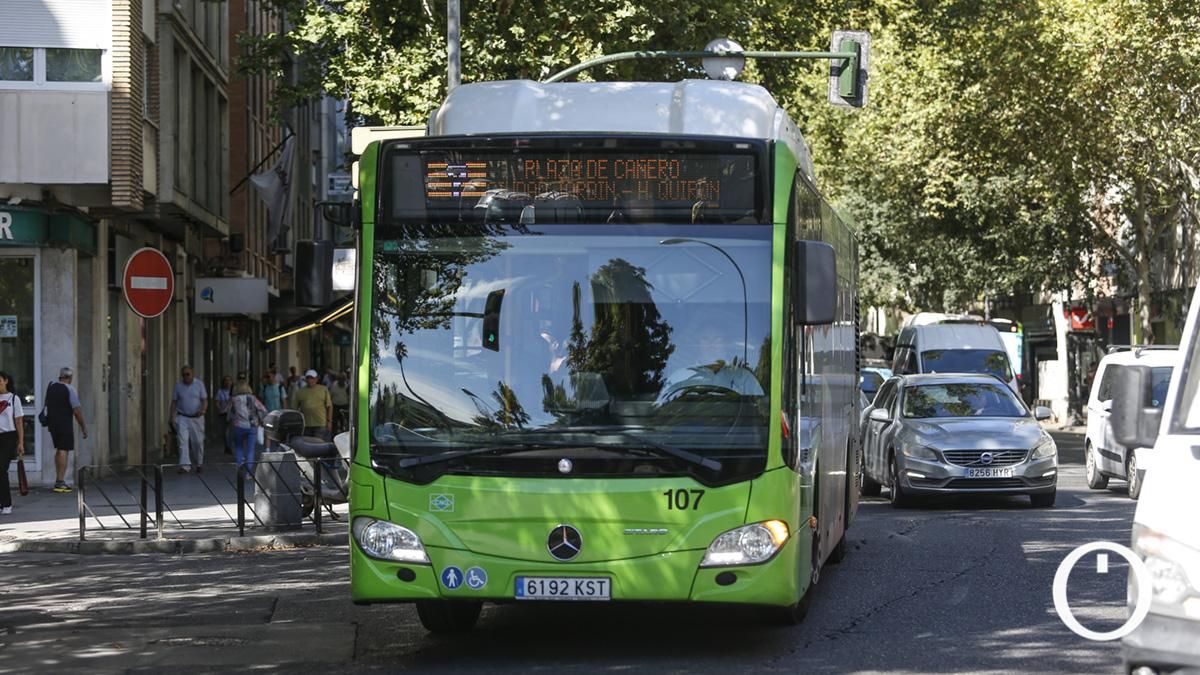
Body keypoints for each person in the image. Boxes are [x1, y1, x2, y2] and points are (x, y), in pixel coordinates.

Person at [43, 367, 88, 493]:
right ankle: (60, 482)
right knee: (63, 450)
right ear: (70, 378)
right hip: (64, 424)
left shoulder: (51, 386)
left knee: (59, 449)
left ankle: (59, 479)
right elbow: (76, 410)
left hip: (53, 425)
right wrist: (83, 426)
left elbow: (47, 403)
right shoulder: (69, 389)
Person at [168, 366, 208, 473]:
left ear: (192, 374)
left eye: (188, 374)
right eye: (184, 374)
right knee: (182, 442)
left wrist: (203, 410)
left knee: (198, 442)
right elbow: (174, 402)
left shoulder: (199, 384)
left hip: (197, 418)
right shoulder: (178, 386)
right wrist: (172, 417)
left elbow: (204, 400)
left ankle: (199, 463)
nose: (186, 377)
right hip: (182, 417)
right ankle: (185, 466)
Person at [229, 380, 267, 478]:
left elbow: (229, 412)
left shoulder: (233, 399)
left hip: (238, 426)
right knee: (250, 450)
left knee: (239, 448)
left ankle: (239, 470)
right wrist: (261, 420)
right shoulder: (253, 398)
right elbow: (263, 409)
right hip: (252, 426)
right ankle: (248, 473)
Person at [0, 371, 25, 515]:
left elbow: (19, 421)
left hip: (8, 437)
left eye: (0, 381)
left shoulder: (13, 399)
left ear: (6, 381)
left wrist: (20, 442)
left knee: (1, 469)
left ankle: (6, 503)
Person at [293, 369, 333, 439]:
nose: (310, 380)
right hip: (306, 424)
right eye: (308, 378)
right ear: (305, 379)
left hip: (320, 423)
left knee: (318, 444)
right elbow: (294, 408)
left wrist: (329, 421)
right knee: (308, 444)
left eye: (312, 378)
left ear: (316, 379)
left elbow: (329, 406)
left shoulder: (323, 389)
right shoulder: (300, 392)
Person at [214, 375, 234, 455]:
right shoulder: (220, 391)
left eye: (229, 380)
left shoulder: (233, 391)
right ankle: (226, 445)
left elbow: (232, 402)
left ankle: (229, 446)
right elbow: (216, 401)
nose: (227, 382)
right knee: (224, 432)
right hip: (223, 413)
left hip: (232, 414)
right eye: (226, 380)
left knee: (230, 431)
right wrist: (220, 409)